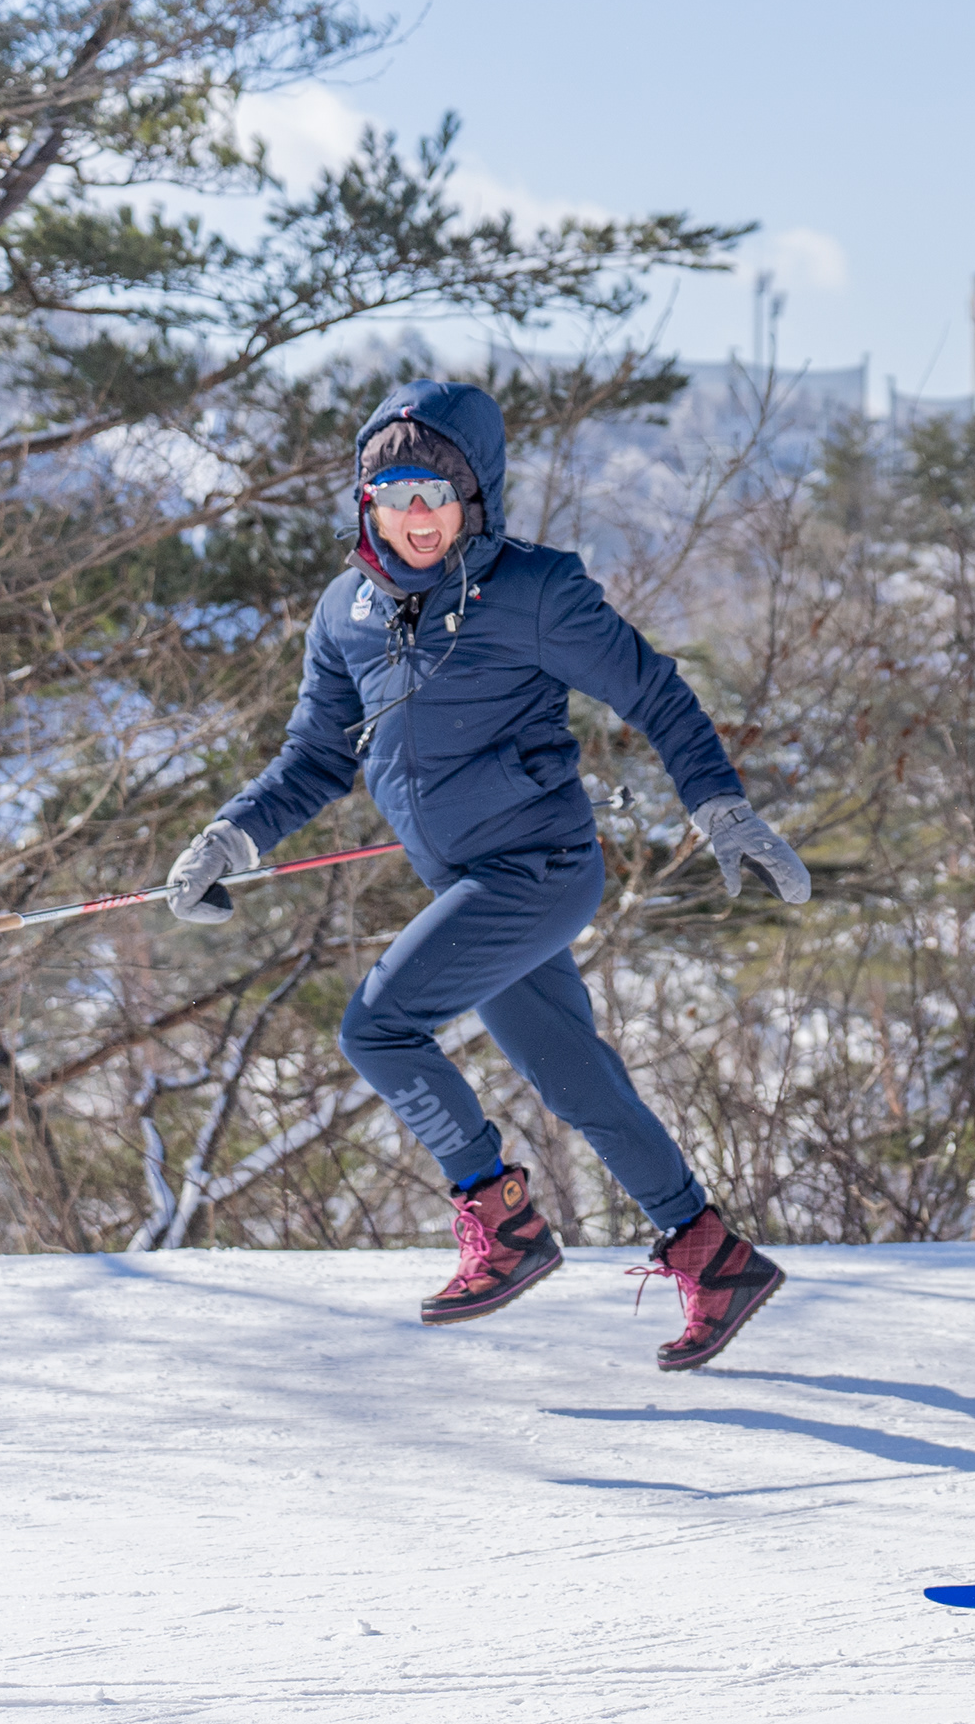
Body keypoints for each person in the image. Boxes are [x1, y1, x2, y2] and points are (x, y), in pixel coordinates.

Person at [166, 379, 816, 1370]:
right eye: (394, 494)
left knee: (378, 1026)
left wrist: (718, 804)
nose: (417, 515)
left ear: (473, 497)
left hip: (539, 870)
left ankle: (499, 1218)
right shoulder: (346, 613)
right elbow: (316, 756)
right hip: (466, 884)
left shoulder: (533, 591)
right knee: (578, 1081)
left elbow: (654, 691)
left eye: (436, 492)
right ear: (367, 503)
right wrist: (230, 836)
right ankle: (712, 1257)